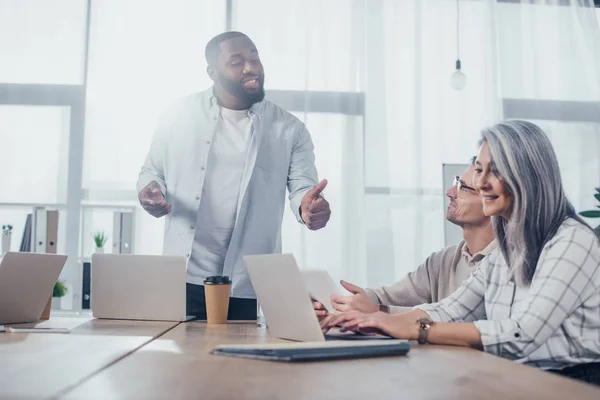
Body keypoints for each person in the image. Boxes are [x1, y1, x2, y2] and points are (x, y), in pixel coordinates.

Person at [322, 120, 600, 385]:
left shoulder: (572, 241)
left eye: (496, 170)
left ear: (529, 176)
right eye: (479, 170)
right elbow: (452, 309)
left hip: (572, 383)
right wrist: (379, 322)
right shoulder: (508, 248)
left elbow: (521, 334)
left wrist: (415, 329)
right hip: (519, 376)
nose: (481, 183)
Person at [137, 31, 331, 320]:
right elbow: (153, 170)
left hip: (245, 280)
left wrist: (309, 207)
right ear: (212, 72)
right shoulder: (177, 115)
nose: (251, 67)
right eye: (237, 61)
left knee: (240, 362)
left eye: (255, 58)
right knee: (179, 363)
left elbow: (303, 187)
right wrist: (151, 190)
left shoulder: (290, 129)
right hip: (184, 275)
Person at [313, 159, 495, 317]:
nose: (449, 192)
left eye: (462, 188)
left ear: (490, 198)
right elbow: (390, 296)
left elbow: (450, 316)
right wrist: (345, 302)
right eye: (456, 183)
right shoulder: (443, 261)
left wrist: (376, 310)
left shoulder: (506, 265)